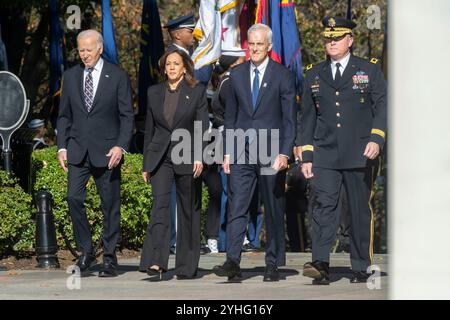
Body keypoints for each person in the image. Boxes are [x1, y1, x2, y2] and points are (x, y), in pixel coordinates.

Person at [299, 17, 387, 285]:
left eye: (337, 38)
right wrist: (307, 156)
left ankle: (361, 265)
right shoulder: (314, 73)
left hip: (360, 151)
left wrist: (377, 138)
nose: (332, 42)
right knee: (323, 207)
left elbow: (382, 107)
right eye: (328, 38)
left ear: (350, 40)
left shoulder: (368, 70)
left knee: (359, 210)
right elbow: (307, 119)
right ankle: (320, 264)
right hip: (325, 153)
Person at [213, 24, 296, 282]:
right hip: (241, 151)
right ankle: (233, 261)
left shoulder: (283, 75)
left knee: (271, 208)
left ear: (269, 46)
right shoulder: (236, 75)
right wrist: (227, 152)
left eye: (260, 44)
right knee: (237, 206)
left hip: (272, 152)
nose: (256, 48)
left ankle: (272, 264)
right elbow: (231, 117)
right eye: (252, 43)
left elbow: (289, 119)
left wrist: (284, 153)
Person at [56, 30, 134, 277]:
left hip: (108, 152)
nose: (85, 54)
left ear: (100, 48)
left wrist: (120, 146)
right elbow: (64, 116)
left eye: (89, 49)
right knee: (73, 199)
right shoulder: (70, 76)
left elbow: (126, 116)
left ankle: (110, 258)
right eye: (81, 50)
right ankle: (86, 251)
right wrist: (62, 146)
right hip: (78, 150)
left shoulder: (118, 76)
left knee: (110, 206)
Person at [139, 49, 209, 280]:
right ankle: (156, 262)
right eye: (168, 64)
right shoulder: (153, 92)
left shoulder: (196, 91)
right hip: (160, 157)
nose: (171, 67)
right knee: (160, 206)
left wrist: (199, 156)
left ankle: (186, 266)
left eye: (176, 64)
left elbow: (202, 126)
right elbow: (150, 129)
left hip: (187, 154)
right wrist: (146, 163)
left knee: (188, 210)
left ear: (184, 68)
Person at [164, 14, 196, 254]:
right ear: (177, 34)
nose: (193, 34)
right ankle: (175, 241)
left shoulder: (190, 56)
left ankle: (186, 239)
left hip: (191, 129)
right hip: (174, 135)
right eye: (189, 30)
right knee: (175, 193)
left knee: (189, 192)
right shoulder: (169, 58)